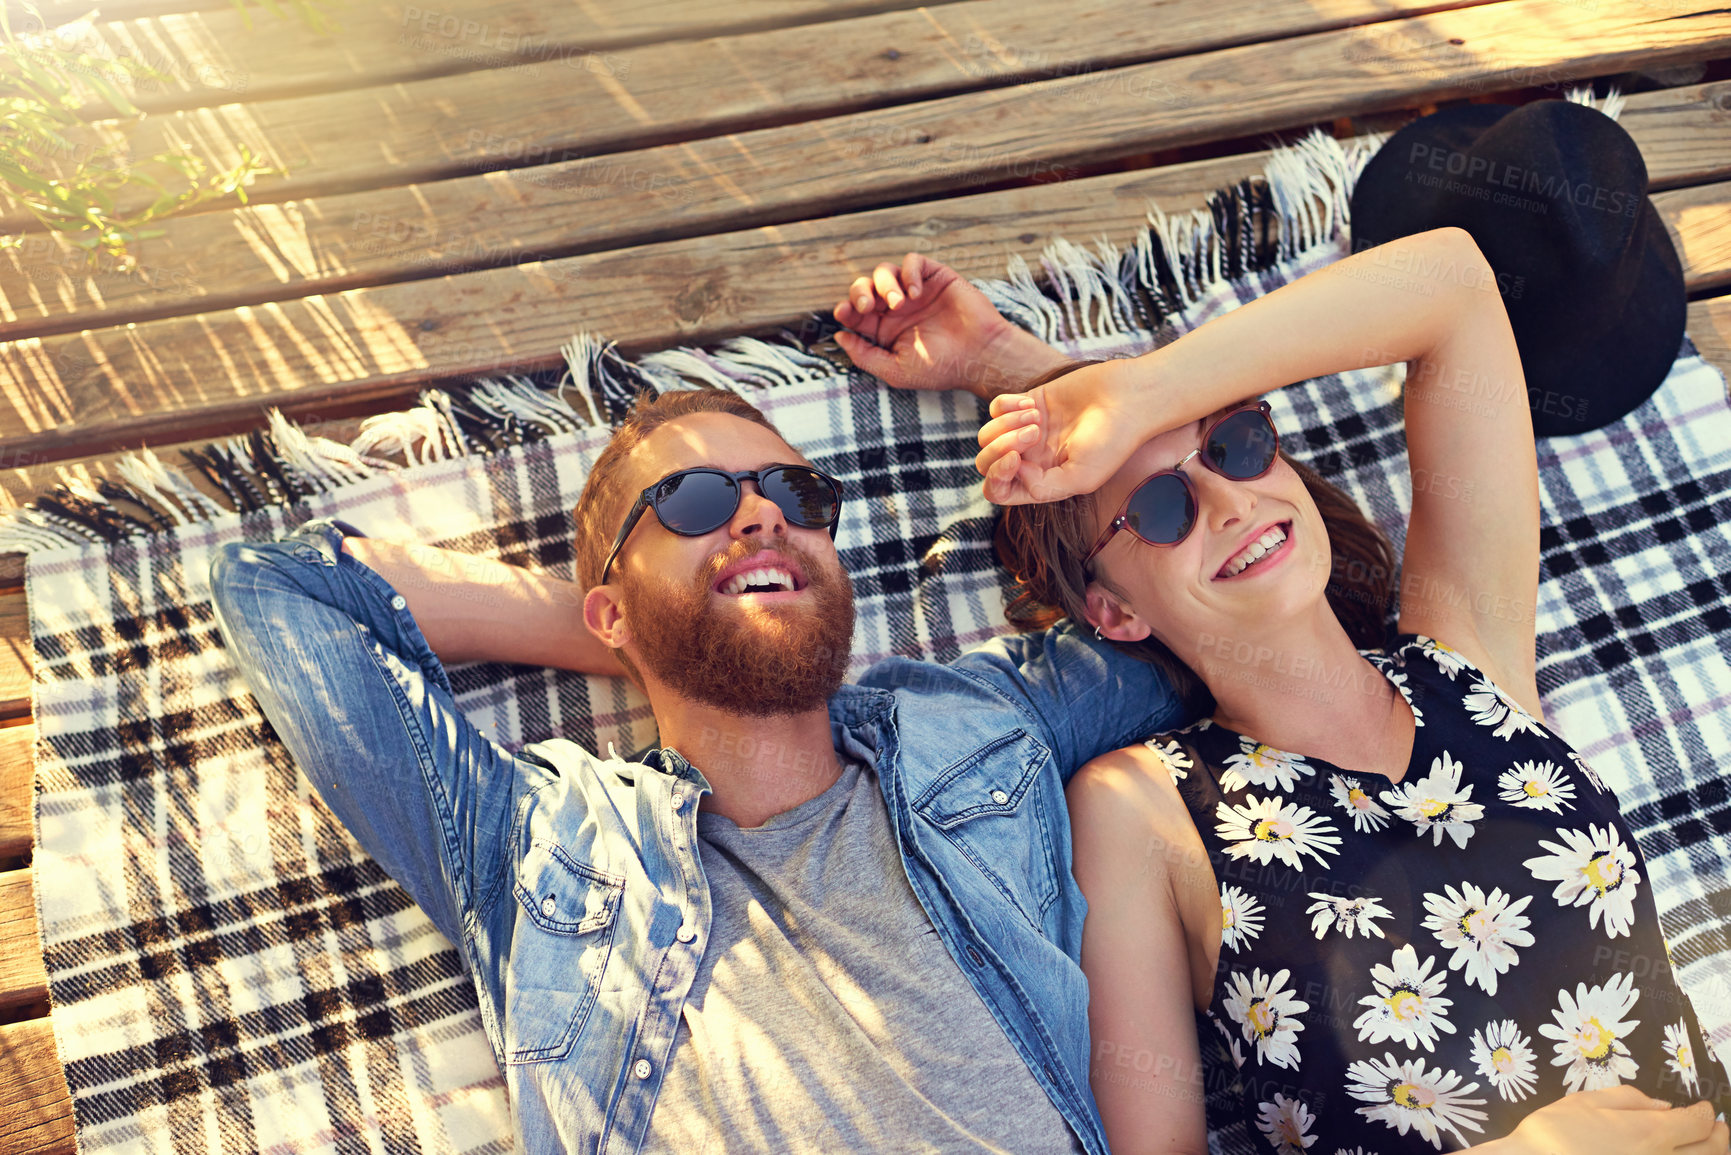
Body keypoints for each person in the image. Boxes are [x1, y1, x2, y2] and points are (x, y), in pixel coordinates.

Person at [835, 232, 1731, 1155]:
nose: (1228, 503)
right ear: (1110, 609)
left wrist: (1137, 388)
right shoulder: (1141, 812)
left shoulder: (1469, 655)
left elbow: (1457, 284)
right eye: (1159, 510)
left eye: (1237, 442)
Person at [207, 347, 1187, 1151]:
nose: (761, 515)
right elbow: (280, 583)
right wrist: (654, 634)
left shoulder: (976, 719)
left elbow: (1224, 610)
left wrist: (1008, 368)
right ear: (608, 606)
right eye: (691, 503)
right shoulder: (529, 844)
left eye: (794, 497)